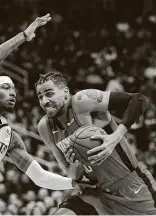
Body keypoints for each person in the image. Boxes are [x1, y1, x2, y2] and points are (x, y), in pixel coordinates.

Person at [0, 15, 83, 215]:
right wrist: (23, 36)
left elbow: (40, 177)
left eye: (13, 88)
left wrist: (74, 183)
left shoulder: (10, 137)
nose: (13, 92)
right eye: (5, 87)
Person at [36, 71, 156, 215]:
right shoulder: (45, 127)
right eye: (40, 97)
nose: (44, 101)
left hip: (132, 187)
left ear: (65, 92)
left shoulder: (82, 101)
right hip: (97, 194)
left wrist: (115, 137)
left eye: (49, 94)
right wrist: (76, 166)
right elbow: (72, 174)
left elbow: (139, 99)